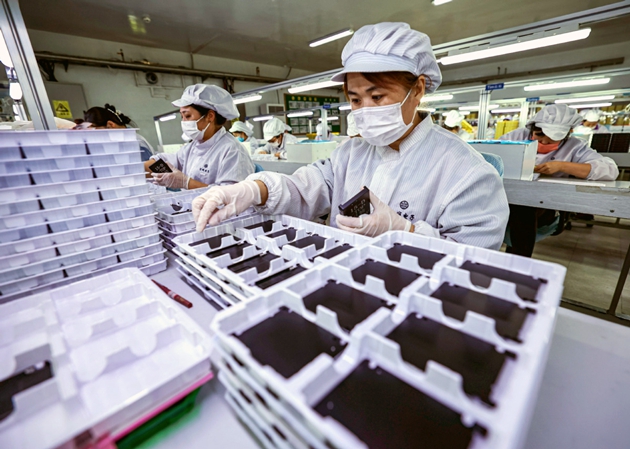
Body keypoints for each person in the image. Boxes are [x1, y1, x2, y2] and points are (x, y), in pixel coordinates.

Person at [190, 22, 509, 249]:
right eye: (355, 100)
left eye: (378, 96)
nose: (365, 110)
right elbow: (303, 189)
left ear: (418, 89)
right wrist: (252, 190)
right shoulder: (349, 153)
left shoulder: (468, 172)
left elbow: (474, 263)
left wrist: (406, 231)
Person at [500, 103, 619, 257]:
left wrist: (563, 166)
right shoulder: (515, 137)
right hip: (509, 197)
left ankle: (517, 261)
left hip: (542, 205)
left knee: (524, 209)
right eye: (539, 136)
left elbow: (610, 169)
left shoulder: (574, 147)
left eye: (551, 140)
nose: (543, 143)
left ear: (567, 135)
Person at [144, 84, 254, 189]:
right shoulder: (192, 147)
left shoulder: (232, 151)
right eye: (182, 116)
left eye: (187, 116)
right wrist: (137, 169)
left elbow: (232, 195)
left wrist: (186, 183)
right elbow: (167, 163)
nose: (184, 122)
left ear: (210, 116)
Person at [84, 104, 154, 161]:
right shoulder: (119, 143)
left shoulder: (136, 144)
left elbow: (149, 170)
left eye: (98, 135)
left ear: (110, 125)